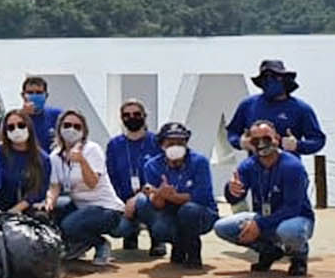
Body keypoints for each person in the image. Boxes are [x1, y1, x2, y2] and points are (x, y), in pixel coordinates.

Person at [215, 120, 314, 276]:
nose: (261, 144)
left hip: (295, 218)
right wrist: (232, 190)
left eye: (266, 138)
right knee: (222, 227)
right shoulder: (248, 165)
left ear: (277, 139)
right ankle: (269, 251)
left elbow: (293, 208)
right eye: (256, 140)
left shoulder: (292, 167)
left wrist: (258, 224)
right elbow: (235, 198)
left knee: (290, 231)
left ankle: (299, 255)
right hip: (263, 217)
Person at [50, 110, 127, 266]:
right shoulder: (55, 155)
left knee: (69, 225)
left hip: (106, 208)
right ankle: (76, 245)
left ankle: (100, 244)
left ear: (83, 131)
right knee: (56, 209)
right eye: (67, 125)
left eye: (77, 126)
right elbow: (55, 186)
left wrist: (82, 161)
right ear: (59, 128)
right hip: (80, 207)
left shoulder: (92, 149)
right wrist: (49, 202)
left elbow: (92, 183)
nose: (71, 130)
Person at [136, 122, 217, 268]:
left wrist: (172, 196)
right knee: (158, 227)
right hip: (169, 212)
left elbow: (201, 197)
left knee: (188, 210)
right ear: (162, 145)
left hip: (201, 213)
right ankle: (178, 245)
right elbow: (157, 204)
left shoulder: (199, 162)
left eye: (180, 142)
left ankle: (193, 253)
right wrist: (160, 194)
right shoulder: (152, 165)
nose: (176, 146)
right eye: (171, 143)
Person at [226, 60, 326, 156]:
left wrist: (298, 145)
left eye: (274, 77)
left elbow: (318, 140)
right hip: (255, 163)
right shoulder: (248, 105)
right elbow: (233, 132)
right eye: (265, 78)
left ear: (285, 80)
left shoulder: (301, 109)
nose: (269, 81)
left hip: (288, 164)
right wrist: (240, 142)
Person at [105, 98, 165, 255]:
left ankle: (157, 238)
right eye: (127, 115)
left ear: (144, 116)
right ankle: (131, 232)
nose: (132, 118)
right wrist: (120, 203)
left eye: (137, 114)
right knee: (117, 229)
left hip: (151, 198)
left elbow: (162, 175)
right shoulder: (114, 145)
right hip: (123, 201)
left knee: (144, 202)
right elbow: (111, 176)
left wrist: (137, 198)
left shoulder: (156, 142)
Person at [0, 109, 51, 214]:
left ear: (29, 127)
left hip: (26, 211)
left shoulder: (43, 158)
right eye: (11, 127)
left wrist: (15, 210)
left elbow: (38, 191)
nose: (17, 130)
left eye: (21, 125)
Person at [19, 76, 62, 152]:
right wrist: (23, 116)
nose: (34, 96)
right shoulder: (15, 118)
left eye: (39, 93)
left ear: (46, 95)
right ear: (23, 95)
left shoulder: (57, 115)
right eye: (30, 93)